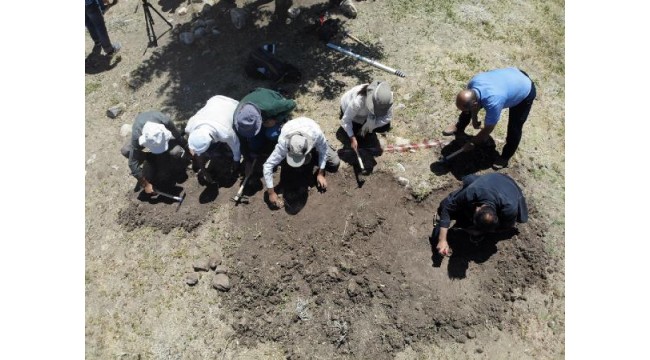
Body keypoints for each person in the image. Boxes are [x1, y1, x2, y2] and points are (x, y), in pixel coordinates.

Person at [443, 67, 537, 170]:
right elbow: (473, 106)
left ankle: (505, 157)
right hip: (511, 78)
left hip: (524, 90)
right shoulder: (473, 84)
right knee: (467, 108)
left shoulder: (493, 101)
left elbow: (488, 129)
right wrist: (474, 119)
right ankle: (459, 127)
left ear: (475, 104)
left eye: (467, 110)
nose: (465, 112)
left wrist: (472, 142)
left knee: (514, 127)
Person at [434, 173, 528, 257]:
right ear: (478, 208)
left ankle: (480, 229)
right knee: (446, 204)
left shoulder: (509, 209)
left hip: (510, 189)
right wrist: (442, 239)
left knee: (521, 219)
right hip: (494, 179)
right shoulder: (473, 192)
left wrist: (481, 231)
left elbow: (506, 226)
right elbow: (447, 208)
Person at [262, 117, 340, 208]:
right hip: (290, 127)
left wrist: (320, 173)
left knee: (334, 162)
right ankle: (303, 161)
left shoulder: (316, 134)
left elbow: (324, 150)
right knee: (297, 167)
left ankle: (312, 154)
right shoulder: (284, 143)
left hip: (309, 126)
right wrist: (271, 192)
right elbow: (267, 165)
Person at [121, 111, 189, 194]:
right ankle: (151, 158)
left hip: (167, 139)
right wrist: (145, 184)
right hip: (144, 137)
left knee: (176, 151)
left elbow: (178, 136)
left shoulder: (165, 121)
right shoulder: (137, 135)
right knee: (126, 150)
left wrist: (189, 150)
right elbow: (132, 162)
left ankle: (176, 165)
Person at [233, 88, 296, 171]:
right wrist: (247, 160)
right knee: (254, 146)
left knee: (272, 134)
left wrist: (276, 119)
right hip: (259, 108)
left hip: (269, 102)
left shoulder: (271, 107)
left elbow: (292, 104)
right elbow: (241, 141)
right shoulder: (238, 120)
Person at [185, 95, 242, 185]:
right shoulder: (189, 128)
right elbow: (196, 151)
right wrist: (204, 171)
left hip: (233, 105)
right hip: (214, 100)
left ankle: (221, 147)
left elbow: (236, 147)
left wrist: (236, 161)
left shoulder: (226, 133)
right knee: (211, 151)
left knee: (234, 140)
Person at [339, 80, 393, 152]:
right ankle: (355, 134)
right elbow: (346, 120)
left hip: (367, 115)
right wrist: (352, 138)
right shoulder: (358, 101)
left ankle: (364, 130)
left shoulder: (386, 99)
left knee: (384, 127)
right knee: (356, 135)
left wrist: (368, 126)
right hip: (354, 114)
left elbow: (387, 117)